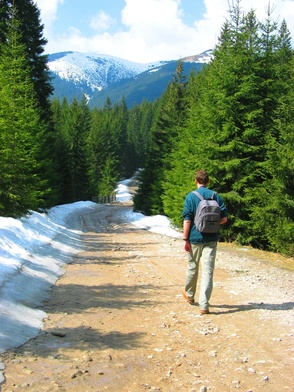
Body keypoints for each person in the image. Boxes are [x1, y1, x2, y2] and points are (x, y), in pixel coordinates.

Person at [182, 169, 228, 314]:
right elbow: (224, 219)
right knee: (208, 271)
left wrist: (185, 239)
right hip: (212, 239)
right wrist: (212, 225)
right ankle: (204, 305)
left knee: (192, 267)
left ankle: (189, 296)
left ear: (196, 181)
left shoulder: (191, 197)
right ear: (208, 181)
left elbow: (187, 219)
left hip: (195, 238)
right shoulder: (216, 196)